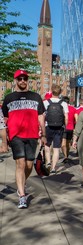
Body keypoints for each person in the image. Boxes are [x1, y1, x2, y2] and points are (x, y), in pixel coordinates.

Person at [1, 69, 46, 208]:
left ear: (27, 80)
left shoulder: (36, 97)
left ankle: (22, 182)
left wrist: (43, 134)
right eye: (19, 79)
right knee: (20, 164)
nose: (22, 81)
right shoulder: (9, 98)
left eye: (24, 79)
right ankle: (21, 195)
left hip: (32, 135)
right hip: (16, 136)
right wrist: (5, 139)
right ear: (16, 80)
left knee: (28, 165)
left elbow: (41, 116)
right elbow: (5, 119)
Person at [43, 84, 68, 174]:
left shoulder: (46, 102)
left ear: (51, 91)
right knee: (56, 148)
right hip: (59, 127)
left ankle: (48, 162)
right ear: (60, 92)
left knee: (47, 146)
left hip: (47, 126)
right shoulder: (64, 103)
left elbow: (42, 116)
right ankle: (53, 168)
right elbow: (66, 117)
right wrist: (65, 126)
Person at [61, 96, 76, 163]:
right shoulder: (73, 108)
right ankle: (66, 155)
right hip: (71, 128)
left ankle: (65, 156)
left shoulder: (61, 108)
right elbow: (76, 119)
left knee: (63, 144)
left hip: (64, 127)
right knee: (68, 143)